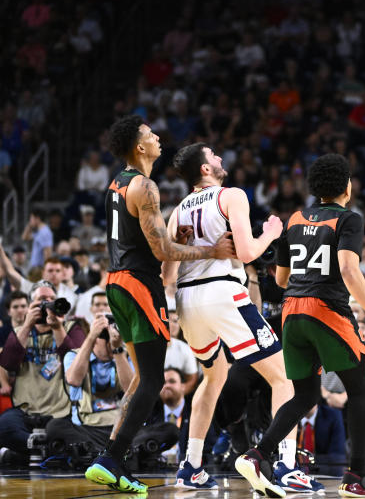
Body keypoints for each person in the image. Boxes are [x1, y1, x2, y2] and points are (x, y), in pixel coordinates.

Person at [84, 115, 235, 494]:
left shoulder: (116, 184)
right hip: (138, 286)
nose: (157, 139)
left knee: (139, 379)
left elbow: (154, 244)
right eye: (150, 135)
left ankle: (110, 460)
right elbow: (162, 249)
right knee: (152, 378)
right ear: (139, 147)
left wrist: (176, 237)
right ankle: (111, 458)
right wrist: (210, 249)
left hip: (117, 282)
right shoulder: (145, 185)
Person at [234, 153, 365, 498]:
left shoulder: (294, 219)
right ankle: (358, 477)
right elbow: (350, 270)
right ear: (346, 187)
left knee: (305, 394)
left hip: (292, 312)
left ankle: (258, 453)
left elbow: (280, 278)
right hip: (327, 310)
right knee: (358, 389)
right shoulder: (348, 220)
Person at [161, 143, 305, 491]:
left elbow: (166, 275)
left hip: (187, 300)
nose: (221, 159)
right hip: (223, 293)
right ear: (205, 169)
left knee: (214, 377)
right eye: (214, 156)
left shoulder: (178, 210)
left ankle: (190, 467)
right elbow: (246, 251)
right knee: (285, 378)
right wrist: (270, 232)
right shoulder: (231, 195)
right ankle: (287, 467)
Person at [46, 312, 177, 456]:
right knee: (55, 427)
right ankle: (115, 453)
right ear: (96, 338)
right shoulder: (74, 355)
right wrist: (91, 337)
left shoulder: (125, 354)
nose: (111, 342)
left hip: (121, 429)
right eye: (105, 338)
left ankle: (104, 452)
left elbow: (132, 390)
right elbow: (74, 380)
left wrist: (118, 350)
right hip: (88, 428)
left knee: (170, 430)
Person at [0, 282, 86, 459]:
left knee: (71, 433)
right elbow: (8, 363)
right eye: (41, 300)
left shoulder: (72, 328)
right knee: (5, 425)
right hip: (25, 410)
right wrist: (27, 325)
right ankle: (45, 449)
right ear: (31, 305)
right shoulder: (19, 331)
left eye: (52, 300)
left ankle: (26, 452)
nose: (47, 304)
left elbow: (76, 364)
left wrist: (57, 328)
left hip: (61, 412)